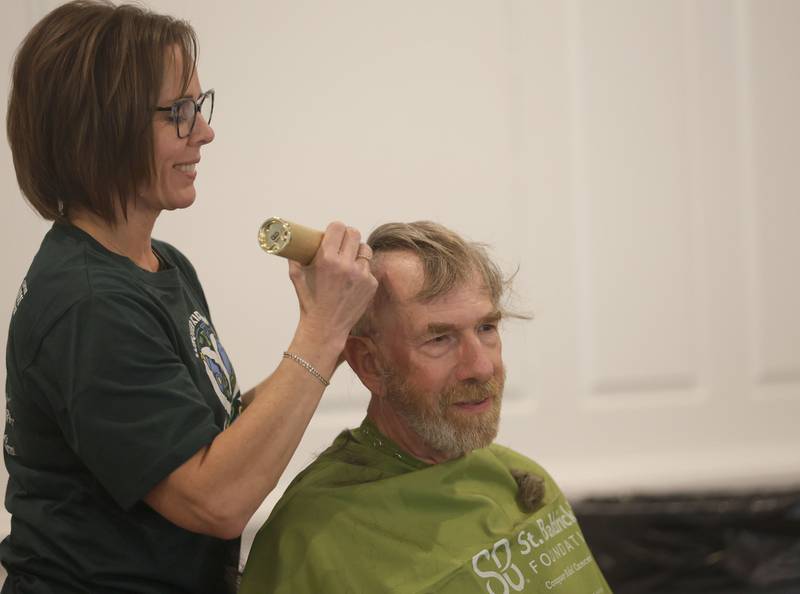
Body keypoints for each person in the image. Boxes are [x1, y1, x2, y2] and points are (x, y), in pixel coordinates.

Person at [2, 2, 376, 592]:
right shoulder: (91, 305)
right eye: (178, 112)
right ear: (99, 127)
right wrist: (321, 334)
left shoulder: (160, 266)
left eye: (198, 107)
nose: (204, 131)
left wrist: (323, 333)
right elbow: (216, 498)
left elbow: (206, 436)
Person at [240, 221, 612, 594]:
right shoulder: (312, 538)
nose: (481, 367)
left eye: (486, 328)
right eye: (439, 339)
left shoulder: (520, 479)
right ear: (370, 364)